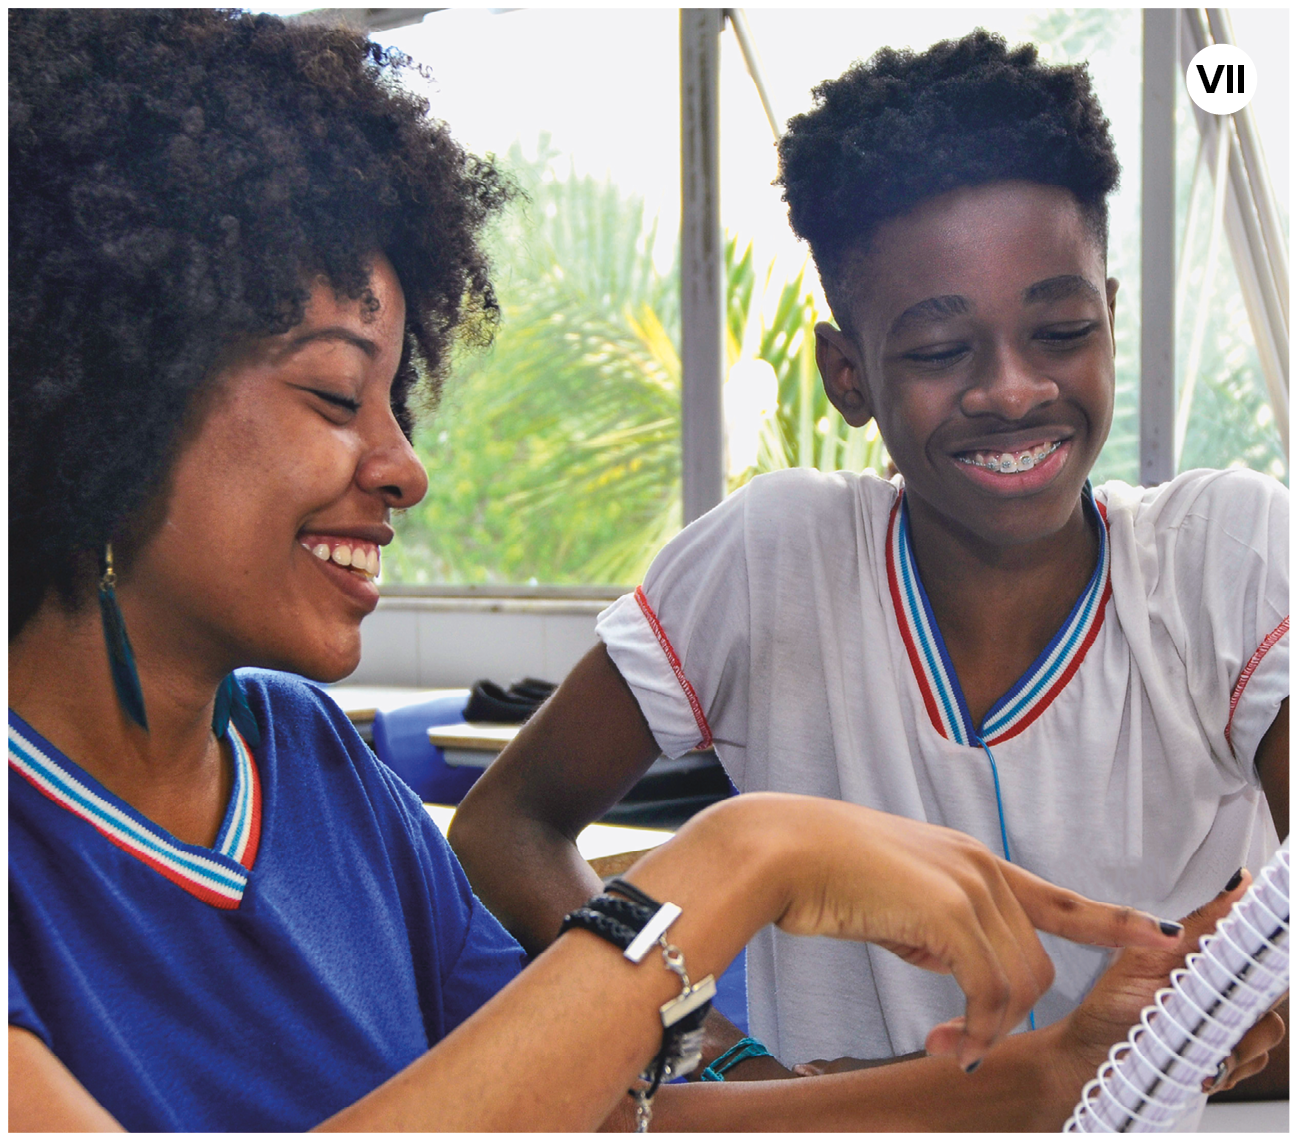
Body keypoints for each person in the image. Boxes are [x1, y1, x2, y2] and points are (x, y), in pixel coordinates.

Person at [8, 9, 1215, 1132]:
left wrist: (1027, 1080)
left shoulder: (315, 769)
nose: (402, 468)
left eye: (400, 404)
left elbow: (598, 1113)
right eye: (334, 394)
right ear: (108, 398)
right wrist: (736, 863)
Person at [449, 29, 1289, 1099]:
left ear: (1111, 321)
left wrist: (1221, 1025)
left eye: (1061, 328)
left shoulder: (1228, 558)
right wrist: (715, 1057)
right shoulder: (773, 559)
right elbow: (504, 825)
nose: (1011, 389)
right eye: (939, 351)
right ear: (847, 374)